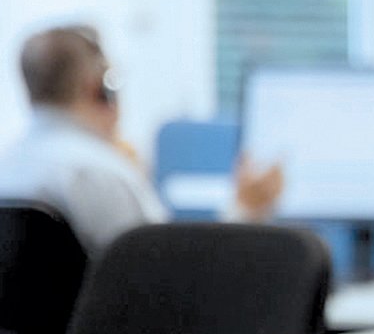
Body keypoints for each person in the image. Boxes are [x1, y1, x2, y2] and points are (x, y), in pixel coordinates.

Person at [0, 25, 284, 255]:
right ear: (99, 89)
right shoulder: (101, 174)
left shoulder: (9, 166)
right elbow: (168, 278)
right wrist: (245, 211)